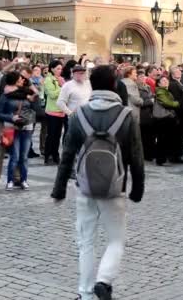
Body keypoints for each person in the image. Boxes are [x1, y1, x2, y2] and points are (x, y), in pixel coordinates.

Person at [51, 64, 145, 300]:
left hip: (84, 187)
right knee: (116, 240)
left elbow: (67, 155)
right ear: (115, 85)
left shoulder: (79, 114)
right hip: (116, 186)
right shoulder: (126, 115)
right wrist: (138, 187)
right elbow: (136, 155)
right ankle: (103, 281)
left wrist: (59, 189)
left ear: (93, 85)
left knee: (86, 243)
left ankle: (84, 294)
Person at [0, 71, 36, 190]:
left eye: (23, 79)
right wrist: (11, 117)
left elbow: (34, 106)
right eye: (20, 79)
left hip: (27, 127)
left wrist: (30, 117)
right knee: (15, 156)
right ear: (15, 81)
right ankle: (10, 181)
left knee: (24, 157)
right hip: (13, 128)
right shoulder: (6, 95)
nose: (23, 80)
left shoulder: (27, 93)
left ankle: (24, 180)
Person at [43, 60, 66, 165]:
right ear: (52, 69)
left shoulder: (61, 79)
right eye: (58, 68)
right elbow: (52, 95)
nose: (60, 71)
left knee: (57, 136)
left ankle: (55, 155)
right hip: (52, 111)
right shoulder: (49, 80)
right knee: (51, 135)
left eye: (61, 69)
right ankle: (48, 155)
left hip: (61, 112)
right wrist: (62, 87)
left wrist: (63, 85)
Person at [154, 76, 179, 166]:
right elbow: (166, 103)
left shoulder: (165, 91)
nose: (165, 82)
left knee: (165, 139)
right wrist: (176, 103)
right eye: (163, 81)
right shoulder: (160, 91)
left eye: (166, 80)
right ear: (159, 83)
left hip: (167, 117)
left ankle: (163, 158)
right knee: (162, 139)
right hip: (163, 118)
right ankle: (160, 159)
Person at [167, 66, 183, 163]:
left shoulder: (180, 83)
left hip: (182, 113)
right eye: (177, 72)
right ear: (172, 74)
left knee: (179, 135)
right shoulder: (173, 84)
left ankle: (177, 154)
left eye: (180, 71)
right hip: (177, 113)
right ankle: (174, 155)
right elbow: (176, 99)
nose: (179, 73)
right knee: (176, 135)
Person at [137, 70, 155, 161]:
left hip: (150, 114)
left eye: (144, 77)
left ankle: (149, 153)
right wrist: (150, 101)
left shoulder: (147, 87)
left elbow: (151, 96)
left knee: (149, 136)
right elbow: (139, 101)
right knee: (143, 136)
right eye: (140, 77)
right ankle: (144, 154)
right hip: (142, 114)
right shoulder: (136, 88)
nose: (143, 78)